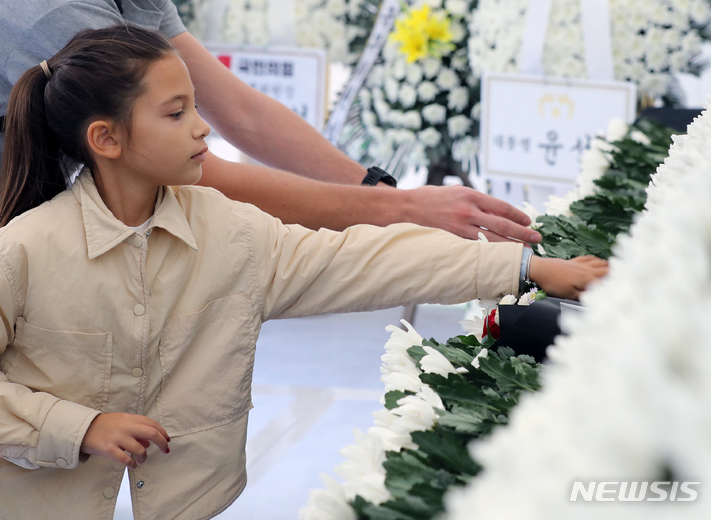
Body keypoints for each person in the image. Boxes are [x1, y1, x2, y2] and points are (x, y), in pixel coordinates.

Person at [0, 26, 607, 519]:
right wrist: (80, 427)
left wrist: (526, 266)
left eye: (196, 107)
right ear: (106, 138)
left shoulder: (233, 232)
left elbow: (367, 260)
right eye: (176, 113)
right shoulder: (24, 249)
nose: (202, 126)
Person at [0, 0, 542, 244]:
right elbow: (189, 167)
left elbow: (240, 111)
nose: (199, 126)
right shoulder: (51, 14)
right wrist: (395, 209)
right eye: (176, 113)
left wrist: (374, 189)